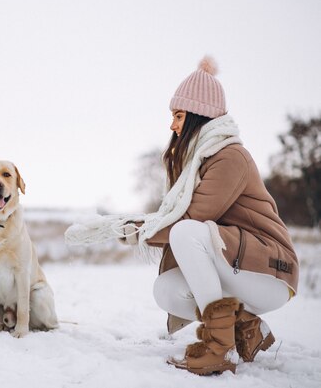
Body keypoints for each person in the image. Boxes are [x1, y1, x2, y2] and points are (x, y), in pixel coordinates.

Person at [65, 56, 298, 376]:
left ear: (197, 116)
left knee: (187, 231)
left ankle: (220, 347)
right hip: (239, 263)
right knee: (167, 290)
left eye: (178, 116)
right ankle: (245, 329)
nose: (172, 126)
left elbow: (194, 218)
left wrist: (138, 230)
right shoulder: (199, 161)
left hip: (271, 269)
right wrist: (131, 227)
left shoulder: (230, 156)